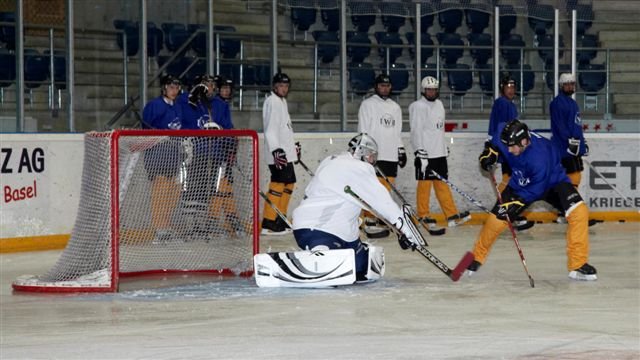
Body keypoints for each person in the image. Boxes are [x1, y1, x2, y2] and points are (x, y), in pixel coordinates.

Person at [468, 120, 597, 281]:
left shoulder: (539, 157)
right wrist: (490, 152)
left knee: (579, 212)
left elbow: (537, 189)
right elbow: (496, 137)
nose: (508, 149)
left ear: (524, 142)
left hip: (552, 183)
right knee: (494, 221)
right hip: (519, 183)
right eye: (506, 145)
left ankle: (578, 264)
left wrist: (515, 205)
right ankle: (476, 257)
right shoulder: (505, 134)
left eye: (512, 146)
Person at [291, 133, 419, 282]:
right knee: (332, 268)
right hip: (319, 229)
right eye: (372, 156)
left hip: (333, 230)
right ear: (362, 153)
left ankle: (324, 257)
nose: (373, 161)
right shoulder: (358, 167)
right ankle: (316, 256)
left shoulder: (334, 160)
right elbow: (382, 202)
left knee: (363, 269)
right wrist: (406, 229)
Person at [178, 74, 244, 237]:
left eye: (212, 84)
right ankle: (190, 226)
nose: (209, 87)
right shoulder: (189, 102)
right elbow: (180, 121)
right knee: (192, 190)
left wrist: (222, 135)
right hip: (194, 154)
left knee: (209, 191)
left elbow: (228, 129)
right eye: (205, 84)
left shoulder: (220, 105)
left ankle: (202, 225)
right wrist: (191, 96)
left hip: (215, 155)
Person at [409, 76, 471, 228]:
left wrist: (443, 146)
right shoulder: (417, 106)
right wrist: (419, 151)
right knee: (424, 186)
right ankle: (423, 215)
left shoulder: (439, 105)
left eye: (434, 89)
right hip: (425, 154)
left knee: (443, 186)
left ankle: (451, 216)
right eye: (429, 90)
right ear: (424, 90)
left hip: (439, 153)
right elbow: (416, 131)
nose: (432, 92)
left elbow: (439, 129)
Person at [357, 73, 406, 238]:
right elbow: (363, 130)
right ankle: (369, 219)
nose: (385, 88)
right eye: (382, 85)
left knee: (387, 190)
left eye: (387, 86)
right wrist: (365, 151)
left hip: (390, 154)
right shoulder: (367, 104)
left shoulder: (395, 107)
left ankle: (381, 218)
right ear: (376, 87)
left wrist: (400, 149)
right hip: (374, 154)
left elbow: (397, 131)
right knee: (372, 188)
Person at [141, 75, 186, 244]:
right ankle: (159, 229)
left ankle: (166, 226)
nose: (175, 91)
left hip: (174, 154)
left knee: (173, 191)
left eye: (177, 88)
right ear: (164, 88)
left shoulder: (178, 107)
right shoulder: (154, 105)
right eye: (171, 87)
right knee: (160, 189)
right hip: (157, 153)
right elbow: (146, 129)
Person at [486, 74, 533, 231]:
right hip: (506, 147)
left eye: (513, 87)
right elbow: (500, 127)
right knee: (509, 179)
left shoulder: (509, 104)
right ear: (502, 89)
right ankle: (502, 210)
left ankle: (507, 211)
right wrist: (495, 145)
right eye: (508, 87)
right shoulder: (502, 103)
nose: (511, 90)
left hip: (508, 146)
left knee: (510, 178)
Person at [550, 73, 595, 225]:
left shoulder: (572, 103)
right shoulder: (557, 103)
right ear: (561, 86)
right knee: (570, 179)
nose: (570, 86)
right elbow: (560, 126)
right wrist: (570, 142)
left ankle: (565, 212)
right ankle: (570, 212)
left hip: (573, 146)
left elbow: (576, 125)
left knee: (574, 178)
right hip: (563, 148)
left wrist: (582, 143)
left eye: (572, 84)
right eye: (567, 84)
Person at [261, 72, 297, 235]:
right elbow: (270, 129)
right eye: (281, 86)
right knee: (278, 184)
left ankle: (279, 218)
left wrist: (293, 146)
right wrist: (276, 149)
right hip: (277, 153)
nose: (284, 89)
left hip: (285, 152)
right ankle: (269, 222)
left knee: (289, 184)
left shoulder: (281, 102)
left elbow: (284, 128)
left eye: (286, 86)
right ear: (275, 86)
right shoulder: (272, 102)